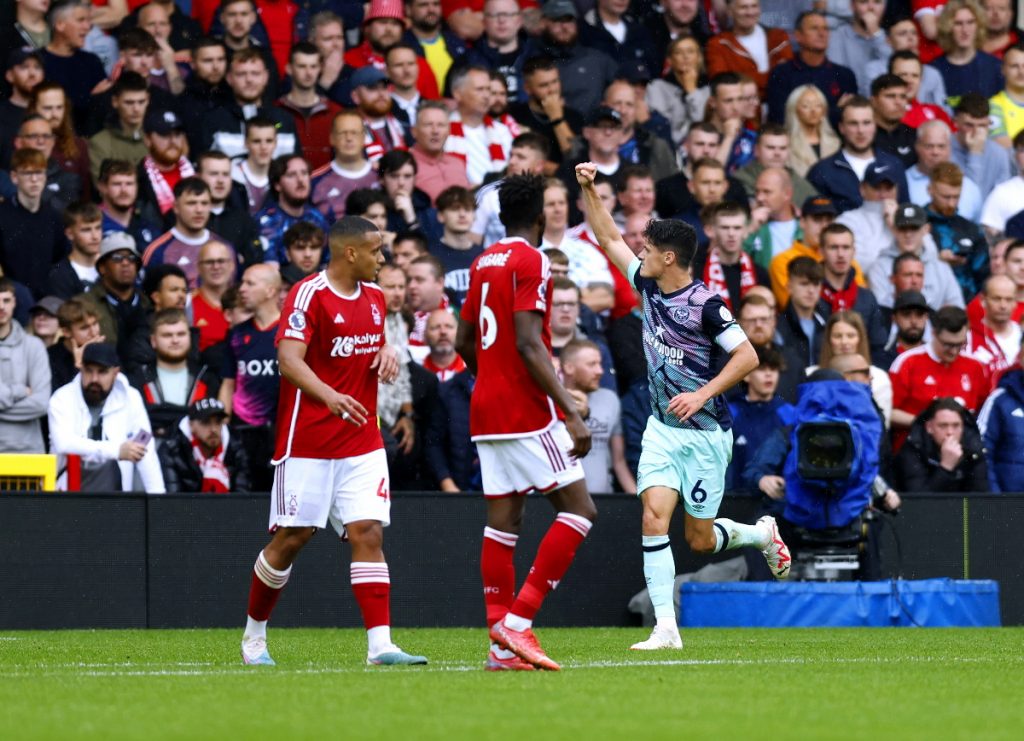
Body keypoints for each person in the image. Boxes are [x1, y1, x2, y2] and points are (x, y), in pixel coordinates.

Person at [576, 160, 789, 652]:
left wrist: (702, 393)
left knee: (698, 538)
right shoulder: (647, 284)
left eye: (648, 249)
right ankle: (666, 629)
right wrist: (589, 190)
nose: (640, 254)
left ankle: (758, 535)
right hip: (661, 429)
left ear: (668, 257)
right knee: (653, 517)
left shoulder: (708, 305)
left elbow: (748, 355)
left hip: (705, 434)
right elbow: (609, 240)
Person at [240, 215, 427, 667]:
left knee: (368, 532)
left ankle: (380, 646)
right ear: (350, 253)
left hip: (361, 441)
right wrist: (330, 396)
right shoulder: (309, 295)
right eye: (376, 251)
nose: (383, 259)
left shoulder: (378, 298)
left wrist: (386, 350)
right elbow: (288, 360)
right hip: (306, 442)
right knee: (293, 537)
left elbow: (375, 341)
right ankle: (254, 639)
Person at [455, 173, 596, 671]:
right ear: (540, 217)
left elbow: (463, 343)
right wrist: (570, 409)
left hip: (485, 408)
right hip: (524, 410)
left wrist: (489, 376)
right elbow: (529, 340)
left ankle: (500, 650)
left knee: (504, 522)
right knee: (580, 511)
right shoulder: (531, 259)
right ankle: (517, 624)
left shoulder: (482, 260)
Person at [48, 342, 165, 493]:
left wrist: (158, 498)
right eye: (88, 371)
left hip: (116, 497)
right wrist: (117, 450)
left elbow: (145, 448)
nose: (94, 379)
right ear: (81, 368)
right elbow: (64, 443)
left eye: (102, 372)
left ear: (115, 373)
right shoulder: (62, 398)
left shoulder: (131, 397)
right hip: (67, 494)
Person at [889, 305, 991, 450]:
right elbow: (888, 412)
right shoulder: (908, 362)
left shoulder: (974, 366)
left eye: (960, 344)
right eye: (948, 345)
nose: (954, 351)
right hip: (914, 450)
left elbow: (982, 412)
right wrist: (928, 423)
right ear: (934, 333)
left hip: (961, 452)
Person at [219, 263, 281, 493]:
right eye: (242, 282)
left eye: (250, 283)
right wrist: (223, 428)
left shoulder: (292, 331)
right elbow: (228, 383)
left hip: (283, 432)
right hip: (243, 432)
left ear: (270, 290)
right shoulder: (237, 335)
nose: (242, 289)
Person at [129, 308, 220, 442]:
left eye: (181, 334)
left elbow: (213, 421)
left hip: (195, 454)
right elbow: (134, 426)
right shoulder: (138, 378)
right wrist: (187, 416)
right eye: (167, 335)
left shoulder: (207, 377)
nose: (175, 340)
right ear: (153, 341)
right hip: (149, 450)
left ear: (190, 337)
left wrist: (159, 417)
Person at [806, 96, 909, 214]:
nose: (861, 130)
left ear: (875, 125)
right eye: (853, 123)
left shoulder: (894, 165)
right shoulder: (822, 171)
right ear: (842, 128)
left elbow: (905, 211)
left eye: (866, 123)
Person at [561, 338, 635, 495]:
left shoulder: (610, 399)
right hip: (560, 500)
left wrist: (637, 501)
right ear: (568, 367)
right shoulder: (551, 401)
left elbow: (619, 461)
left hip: (605, 499)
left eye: (599, 364)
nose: (600, 371)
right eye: (591, 364)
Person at [765, 10, 857, 127]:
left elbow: (850, 120)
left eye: (825, 29)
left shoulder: (844, 75)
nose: (822, 33)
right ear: (798, 36)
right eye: (814, 28)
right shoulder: (782, 73)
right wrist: (835, 112)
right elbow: (781, 119)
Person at [202, 48, 297, 160]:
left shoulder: (284, 121)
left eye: (255, 73)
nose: (249, 79)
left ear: (266, 77)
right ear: (229, 78)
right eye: (241, 74)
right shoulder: (213, 121)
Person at [868, 202, 963, 313]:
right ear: (894, 229)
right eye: (903, 228)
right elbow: (880, 308)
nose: (908, 234)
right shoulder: (880, 266)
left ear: (926, 229)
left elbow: (957, 307)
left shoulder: (940, 266)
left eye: (914, 228)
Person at [0, 148, 67, 300]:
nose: (34, 179)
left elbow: (59, 259)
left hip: (47, 300)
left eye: (39, 172)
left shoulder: (54, 216)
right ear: (14, 177)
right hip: (11, 300)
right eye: (28, 173)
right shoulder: (2, 216)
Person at [726, 344, 792, 493]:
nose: (769, 375)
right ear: (746, 375)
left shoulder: (790, 414)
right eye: (762, 369)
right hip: (735, 499)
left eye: (773, 369)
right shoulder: (730, 412)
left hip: (776, 500)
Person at [895, 397, 988, 492]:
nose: (950, 432)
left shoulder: (973, 449)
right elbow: (920, 500)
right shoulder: (914, 448)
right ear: (929, 427)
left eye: (956, 425)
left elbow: (978, 499)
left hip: (963, 507)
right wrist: (945, 467)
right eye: (943, 425)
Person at [158, 397, 251, 493]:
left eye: (218, 422)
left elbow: (242, 497)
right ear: (191, 425)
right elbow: (173, 500)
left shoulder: (235, 448)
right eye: (206, 422)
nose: (213, 429)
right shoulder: (173, 450)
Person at [507, 54, 583, 171]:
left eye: (555, 82)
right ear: (527, 88)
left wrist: (556, 118)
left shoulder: (574, 116)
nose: (552, 89)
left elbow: (575, 157)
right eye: (544, 85)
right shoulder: (515, 115)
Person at [0, 277, 50, 454]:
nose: (1, 307)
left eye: (6, 300)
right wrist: (20, 391)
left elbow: (41, 404)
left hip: (28, 452)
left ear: (15, 302)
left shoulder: (34, 346)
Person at [706, 0, 793, 101]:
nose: (750, 12)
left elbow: (789, 78)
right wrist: (771, 77)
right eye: (743, 7)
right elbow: (722, 85)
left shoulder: (778, 37)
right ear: (729, 11)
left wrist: (743, 76)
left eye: (754, 6)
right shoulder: (718, 44)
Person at [275, 41, 342, 172]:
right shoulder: (275, 112)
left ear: (321, 68)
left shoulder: (336, 113)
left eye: (313, 66)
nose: (308, 72)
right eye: (302, 66)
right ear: (289, 68)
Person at [444, 65, 513, 187]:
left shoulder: (502, 131)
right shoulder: (442, 129)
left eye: (488, 90)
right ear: (457, 94)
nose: (487, 96)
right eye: (480, 89)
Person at [257, 154, 331, 265]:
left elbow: (327, 262)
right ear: (277, 185)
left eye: (304, 173)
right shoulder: (265, 222)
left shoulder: (318, 218)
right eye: (291, 175)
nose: (300, 180)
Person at [906, 120, 983, 221]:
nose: (935, 152)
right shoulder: (903, 181)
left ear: (950, 148)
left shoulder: (969, 187)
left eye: (941, 146)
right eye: (929, 146)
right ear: (917, 147)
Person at [645, 35, 710, 148]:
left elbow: (701, 123)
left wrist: (691, 91)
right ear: (669, 60)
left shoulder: (708, 89)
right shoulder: (656, 87)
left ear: (699, 57)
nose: (685, 57)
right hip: (668, 148)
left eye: (690, 51)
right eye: (678, 52)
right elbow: (661, 127)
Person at [931, 0, 1003, 102]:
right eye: (958, 23)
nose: (965, 30)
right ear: (948, 27)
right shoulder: (934, 70)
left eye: (970, 22)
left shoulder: (995, 67)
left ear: (978, 26)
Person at [702, 201, 769, 310]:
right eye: (725, 227)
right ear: (713, 231)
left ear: (746, 231)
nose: (731, 234)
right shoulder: (698, 270)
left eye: (737, 228)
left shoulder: (760, 274)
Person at [87, 71, 150, 184]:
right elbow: (101, 186)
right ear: (115, 102)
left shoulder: (158, 138)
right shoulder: (99, 142)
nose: (136, 109)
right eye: (129, 102)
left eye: (141, 102)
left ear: (148, 100)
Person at [978, 344, 1024, 491]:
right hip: (1008, 504)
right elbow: (982, 452)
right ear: (1021, 356)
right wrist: (997, 501)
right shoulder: (1000, 400)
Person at [429, 185, 483, 309]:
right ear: (441, 216)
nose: (462, 214)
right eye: (455, 209)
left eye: (468, 209)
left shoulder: (484, 256)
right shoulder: (431, 256)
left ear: (474, 216)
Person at [951, 92, 1012, 199]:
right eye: (969, 125)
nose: (976, 132)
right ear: (956, 122)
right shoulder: (942, 148)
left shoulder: (999, 154)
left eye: (982, 126)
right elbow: (967, 198)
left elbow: (1002, 197)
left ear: (989, 124)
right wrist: (975, 153)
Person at [408, 100, 469, 205]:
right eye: (428, 125)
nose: (435, 131)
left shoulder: (457, 163)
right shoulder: (406, 164)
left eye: (441, 125)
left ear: (449, 130)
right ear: (414, 131)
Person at [826, 0, 890, 94]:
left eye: (877, 2)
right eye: (864, 2)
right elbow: (835, 75)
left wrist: (876, 34)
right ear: (852, 6)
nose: (871, 8)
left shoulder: (890, 37)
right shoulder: (837, 36)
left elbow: (893, 68)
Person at [777, 256, 828, 371]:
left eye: (816, 284)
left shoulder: (828, 323)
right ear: (789, 287)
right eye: (804, 284)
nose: (811, 291)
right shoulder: (777, 327)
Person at [783, 83, 841, 178]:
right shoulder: (786, 144)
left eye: (818, 105)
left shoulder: (835, 142)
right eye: (806, 106)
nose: (813, 110)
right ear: (794, 110)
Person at [49, 202, 102, 300]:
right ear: (69, 234)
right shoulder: (59, 275)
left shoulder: (111, 266)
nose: (95, 236)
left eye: (98, 228)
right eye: (86, 230)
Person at [870, 73, 917, 169]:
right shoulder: (862, 135)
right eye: (890, 96)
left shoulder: (915, 136)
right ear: (873, 101)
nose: (898, 102)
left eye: (903, 97)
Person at [421, 308, 466, 381]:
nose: (443, 332)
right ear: (424, 336)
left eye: (449, 326)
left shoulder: (471, 370)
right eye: (436, 327)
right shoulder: (416, 372)